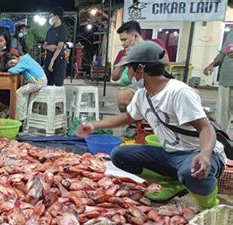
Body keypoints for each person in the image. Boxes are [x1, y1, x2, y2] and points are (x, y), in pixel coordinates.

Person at [77, 41, 226, 210]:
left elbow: (205, 128)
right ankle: (173, 184)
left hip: (200, 154)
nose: (130, 74)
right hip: (171, 154)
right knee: (119, 154)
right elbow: (128, 117)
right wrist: (93, 126)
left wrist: (205, 154)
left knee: (190, 171)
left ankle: (210, 207)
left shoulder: (178, 92)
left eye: (130, 69)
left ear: (140, 69)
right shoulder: (142, 95)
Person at [112, 21, 169, 112]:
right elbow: (114, 77)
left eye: (124, 39)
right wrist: (125, 59)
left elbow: (165, 61)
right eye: (121, 40)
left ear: (135, 36)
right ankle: (131, 123)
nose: (122, 43)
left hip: (157, 83)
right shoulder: (123, 52)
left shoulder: (153, 44)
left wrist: (139, 56)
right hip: (136, 85)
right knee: (123, 97)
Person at [0, 52, 47, 122]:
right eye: (11, 65)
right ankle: (22, 114)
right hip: (39, 81)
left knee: (19, 92)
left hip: (38, 82)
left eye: (11, 63)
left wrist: (9, 69)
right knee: (22, 90)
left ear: (14, 57)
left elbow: (14, 71)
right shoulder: (25, 59)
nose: (13, 65)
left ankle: (20, 118)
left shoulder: (23, 60)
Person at [203, 30, 233, 133]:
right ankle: (222, 140)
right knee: (222, 114)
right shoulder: (231, 33)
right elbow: (223, 54)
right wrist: (211, 65)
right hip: (226, 78)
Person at [43, 7, 68, 86]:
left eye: (51, 16)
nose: (50, 19)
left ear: (56, 17)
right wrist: (49, 47)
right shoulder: (50, 30)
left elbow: (60, 47)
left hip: (59, 59)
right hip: (48, 58)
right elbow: (44, 45)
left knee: (58, 85)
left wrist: (52, 61)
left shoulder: (62, 30)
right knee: (48, 83)